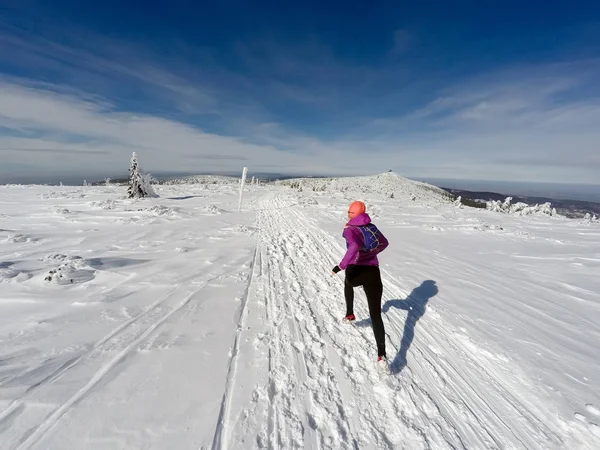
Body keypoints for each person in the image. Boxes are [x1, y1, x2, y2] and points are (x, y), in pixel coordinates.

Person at [332, 201, 389, 363]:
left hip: (356, 269)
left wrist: (340, 266)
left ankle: (350, 314)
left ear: (355, 214)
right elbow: (385, 243)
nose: (348, 213)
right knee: (376, 315)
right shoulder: (372, 227)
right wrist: (371, 252)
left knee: (348, 283)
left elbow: (354, 246)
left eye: (350, 212)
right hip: (373, 271)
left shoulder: (349, 229)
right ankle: (381, 355)